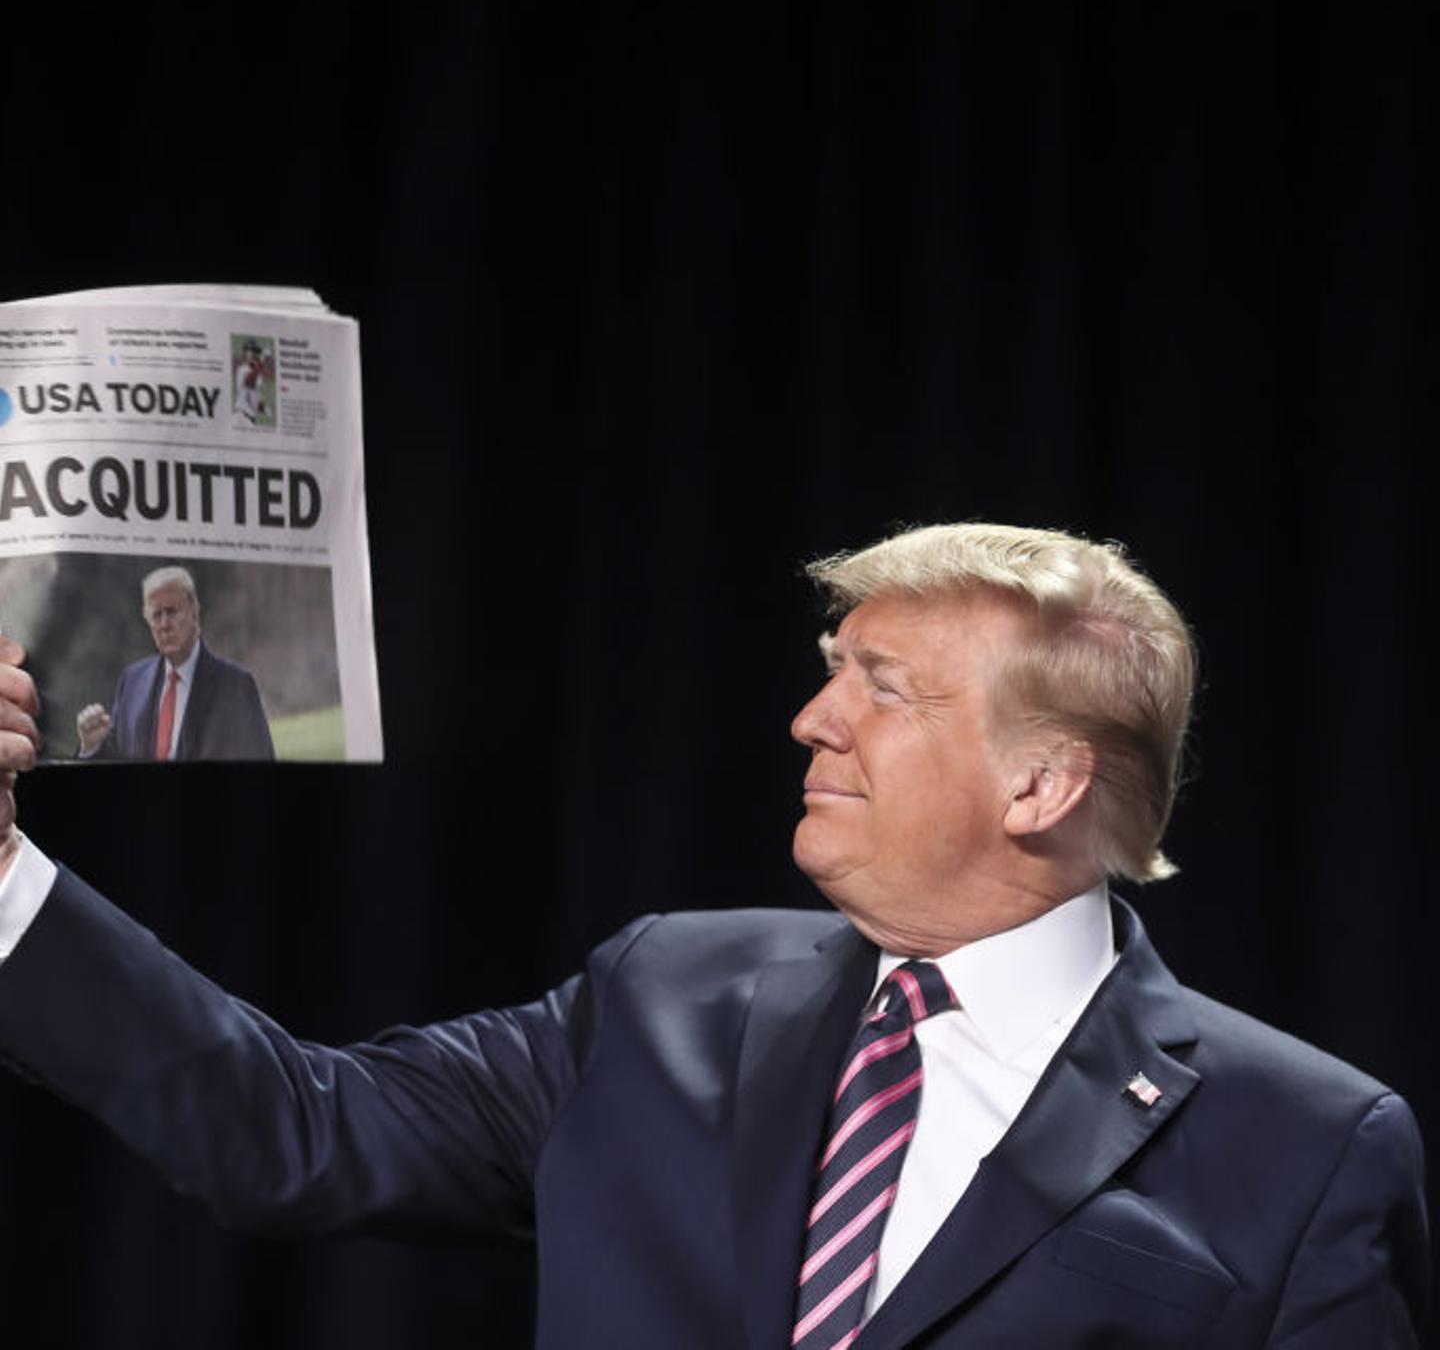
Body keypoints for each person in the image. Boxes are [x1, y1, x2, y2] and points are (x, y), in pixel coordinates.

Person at [0, 524, 1427, 1347]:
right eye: (830, 676)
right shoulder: (664, 995)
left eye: (884, 687)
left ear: (1041, 783)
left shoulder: (1305, 1148)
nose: (815, 719)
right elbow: (288, 1129)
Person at [76, 565, 275, 762]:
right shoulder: (132, 681)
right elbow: (115, 760)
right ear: (147, 620)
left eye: (172, 612)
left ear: (194, 613)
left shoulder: (236, 686)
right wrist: (91, 747)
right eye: (156, 615)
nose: (164, 625)